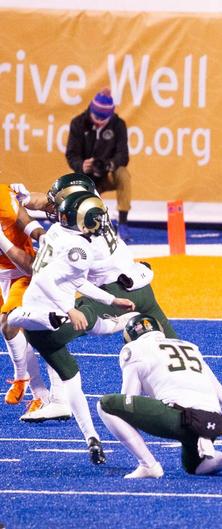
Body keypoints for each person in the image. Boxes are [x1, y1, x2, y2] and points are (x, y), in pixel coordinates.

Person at [16, 174, 181, 423]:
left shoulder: (73, 240)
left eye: (60, 206)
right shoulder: (91, 215)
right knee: (174, 345)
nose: (55, 209)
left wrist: (7, 234)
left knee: (48, 333)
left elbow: (39, 269)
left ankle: (62, 401)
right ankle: (218, 399)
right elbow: (45, 202)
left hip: (118, 290)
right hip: (135, 284)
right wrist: (22, 198)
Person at [6, 191, 137, 463]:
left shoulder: (55, 232)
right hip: (53, 321)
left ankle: (92, 439)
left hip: (38, 324)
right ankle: (119, 324)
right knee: (87, 319)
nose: (101, 224)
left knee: (72, 382)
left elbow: (71, 280)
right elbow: (45, 280)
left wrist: (111, 298)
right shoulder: (80, 249)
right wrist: (69, 309)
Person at [97, 314, 222, 479]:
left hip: (182, 417)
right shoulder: (188, 346)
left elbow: (128, 399)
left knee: (107, 404)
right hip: (214, 420)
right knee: (195, 466)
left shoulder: (133, 350)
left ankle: (148, 465)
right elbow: (211, 380)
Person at [0, 183, 46, 411]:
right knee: (12, 332)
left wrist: (44, 238)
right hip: (2, 276)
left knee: (10, 323)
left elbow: (29, 266)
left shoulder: (5, 196)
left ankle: (29, 384)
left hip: (22, 273)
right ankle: (32, 387)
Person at [65, 89, 134, 240]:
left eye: (103, 119)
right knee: (74, 189)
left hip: (108, 174)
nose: (98, 121)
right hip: (86, 175)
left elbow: (123, 155)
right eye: (95, 116)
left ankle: (123, 222)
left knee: (123, 173)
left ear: (110, 116)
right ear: (91, 110)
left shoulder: (118, 125)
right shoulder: (78, 123)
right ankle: (84, 223)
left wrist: (109, 164)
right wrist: (81, 165)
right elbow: (71, 154)